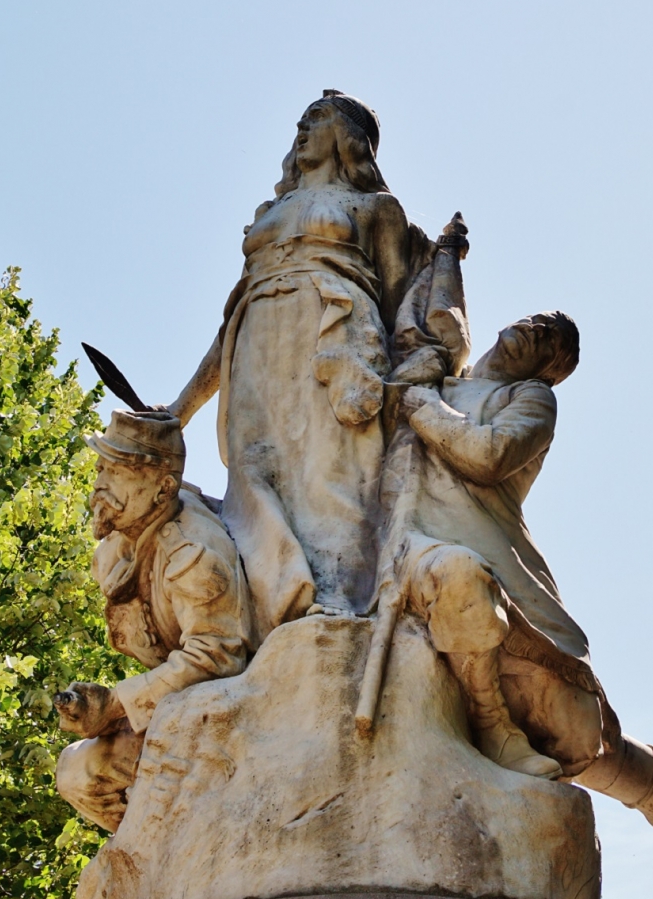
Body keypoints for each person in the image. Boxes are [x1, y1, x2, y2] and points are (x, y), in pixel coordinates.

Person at [164, 91, 457, 641]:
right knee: (253, 471)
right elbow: (229, 320)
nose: (302, 128)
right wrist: (180, 409)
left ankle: (342, 600)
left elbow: (399, 304)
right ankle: (272, 611)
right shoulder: (268, 213)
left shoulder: (375, 209)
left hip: (337, 334)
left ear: (350, 137)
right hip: (256, 338)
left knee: (330, 471)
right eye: (300, 121)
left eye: (317, 119)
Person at [392, 312, 653, 828]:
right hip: (408, 547)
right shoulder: (436, 372)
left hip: (486, 555)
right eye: (537, 321)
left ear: (548, 370)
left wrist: (424, 407)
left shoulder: (529, 400)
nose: (536, 328)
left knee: (570, 725)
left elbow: (489, 455)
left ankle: (650, 780)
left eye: (550, 339)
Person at [54, 410, 251, 832]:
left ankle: (171, 849)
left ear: (163, 488)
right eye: (102, 466)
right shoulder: (114, 548)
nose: (101, 482)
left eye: (120, 470)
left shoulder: (191, 553)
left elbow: (218, 656)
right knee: (76, 771)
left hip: (229, 710)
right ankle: (153, 855)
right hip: (177, 706)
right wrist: (103, 707)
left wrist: (120, 704)